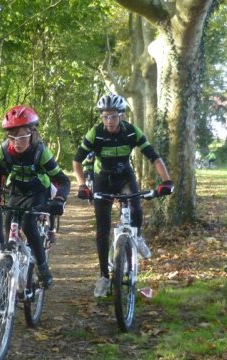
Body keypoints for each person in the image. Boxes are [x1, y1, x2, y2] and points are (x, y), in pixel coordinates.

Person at [71, 93, 173, 298]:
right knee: (102, 227)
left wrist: (167, 181)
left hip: (125, 178)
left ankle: (138, 236)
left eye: (113, 116)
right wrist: (82, 185)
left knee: (136, 208)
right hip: (103, 179)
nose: (109, 120)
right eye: (105, 116)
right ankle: (103, 276)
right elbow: (77, 161)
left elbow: (154, 157)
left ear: (122, 116)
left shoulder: (131, 132)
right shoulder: (95, 133)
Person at [0, 105, 70, 288]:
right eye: (12, 136)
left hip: (38, 190)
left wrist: (59, 200)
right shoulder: (3, 150)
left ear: (32, 133)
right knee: (9, 233)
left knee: (28, 225)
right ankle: (9, 273)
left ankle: (43, 267)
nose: (17, 141)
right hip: (16, 191)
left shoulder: (40, 152)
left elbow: (62, 180)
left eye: (22, 136)